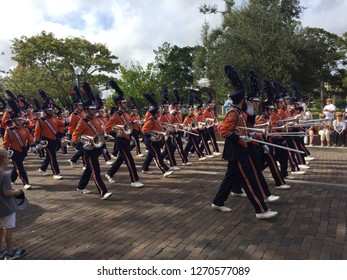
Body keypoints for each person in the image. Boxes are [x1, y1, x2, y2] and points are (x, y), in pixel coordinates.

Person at [211, 65, 278, 219]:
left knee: (230, 178)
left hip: (239, 149)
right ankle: (261, 210)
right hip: (237, 150)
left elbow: (245, 126)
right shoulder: (234, 113)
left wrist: (250, 132)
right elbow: (224, 131)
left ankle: (218, 201)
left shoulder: (240, 112)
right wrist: (239, 137)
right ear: (241, 100)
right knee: (249, 180)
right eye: (245, 100)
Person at [104, 80, 144, 188]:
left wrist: (136, 123)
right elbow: (107, 128)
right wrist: (117, 133)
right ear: (119, 104)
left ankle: (109, 173)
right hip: (121, 140)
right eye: (124, 103)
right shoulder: (116, 115)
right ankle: (134, 180)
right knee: (130, 161)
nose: (126, 104)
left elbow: (130, 123)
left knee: (120, 160)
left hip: (127, 138)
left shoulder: (126, 114)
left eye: (126, 102)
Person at [2, 99, 35, 190]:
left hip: (23, 150)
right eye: (18, 120)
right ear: (14, 121)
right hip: (14, 151)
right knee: (20, 167)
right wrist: (4, 152)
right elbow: (5, 143)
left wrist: (33, 145)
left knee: (16, 167)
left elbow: (30, 138)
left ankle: (10, 179)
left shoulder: (25, 129)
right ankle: (26, 182)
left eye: (21, 120)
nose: (20, 121)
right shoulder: (9, 130)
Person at [0, 148, 27, 260]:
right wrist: (17, 191)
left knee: (0, 228)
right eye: (7, 158)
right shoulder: (4, 175)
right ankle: (10, 252)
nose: (8, 160)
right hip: (6, 207)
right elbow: (6, 192)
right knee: (8, 228)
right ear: (3, 160)